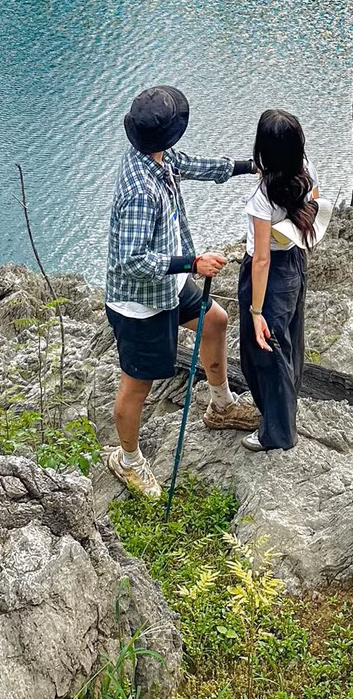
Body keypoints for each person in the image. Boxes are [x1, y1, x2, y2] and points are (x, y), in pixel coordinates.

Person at [105, 84, 261, 496]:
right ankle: (128, 460)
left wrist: (250, 166)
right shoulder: (140, 191)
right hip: (140, 303)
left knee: (216, 321)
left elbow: (194, 165)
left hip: (170, 287)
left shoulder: (158, 158)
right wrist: (191, 264)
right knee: (137, 386)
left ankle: (222, 405)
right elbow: (130, 261)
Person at [238, 107, 319, 452]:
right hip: (295, 263)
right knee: (288, 342)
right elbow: (314, 201)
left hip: (269, 278)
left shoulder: (263, 199)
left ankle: (277, 433)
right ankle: (284, 411)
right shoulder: (305, 172)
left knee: (265, 353)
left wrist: (256, 312)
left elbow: (261, 258)